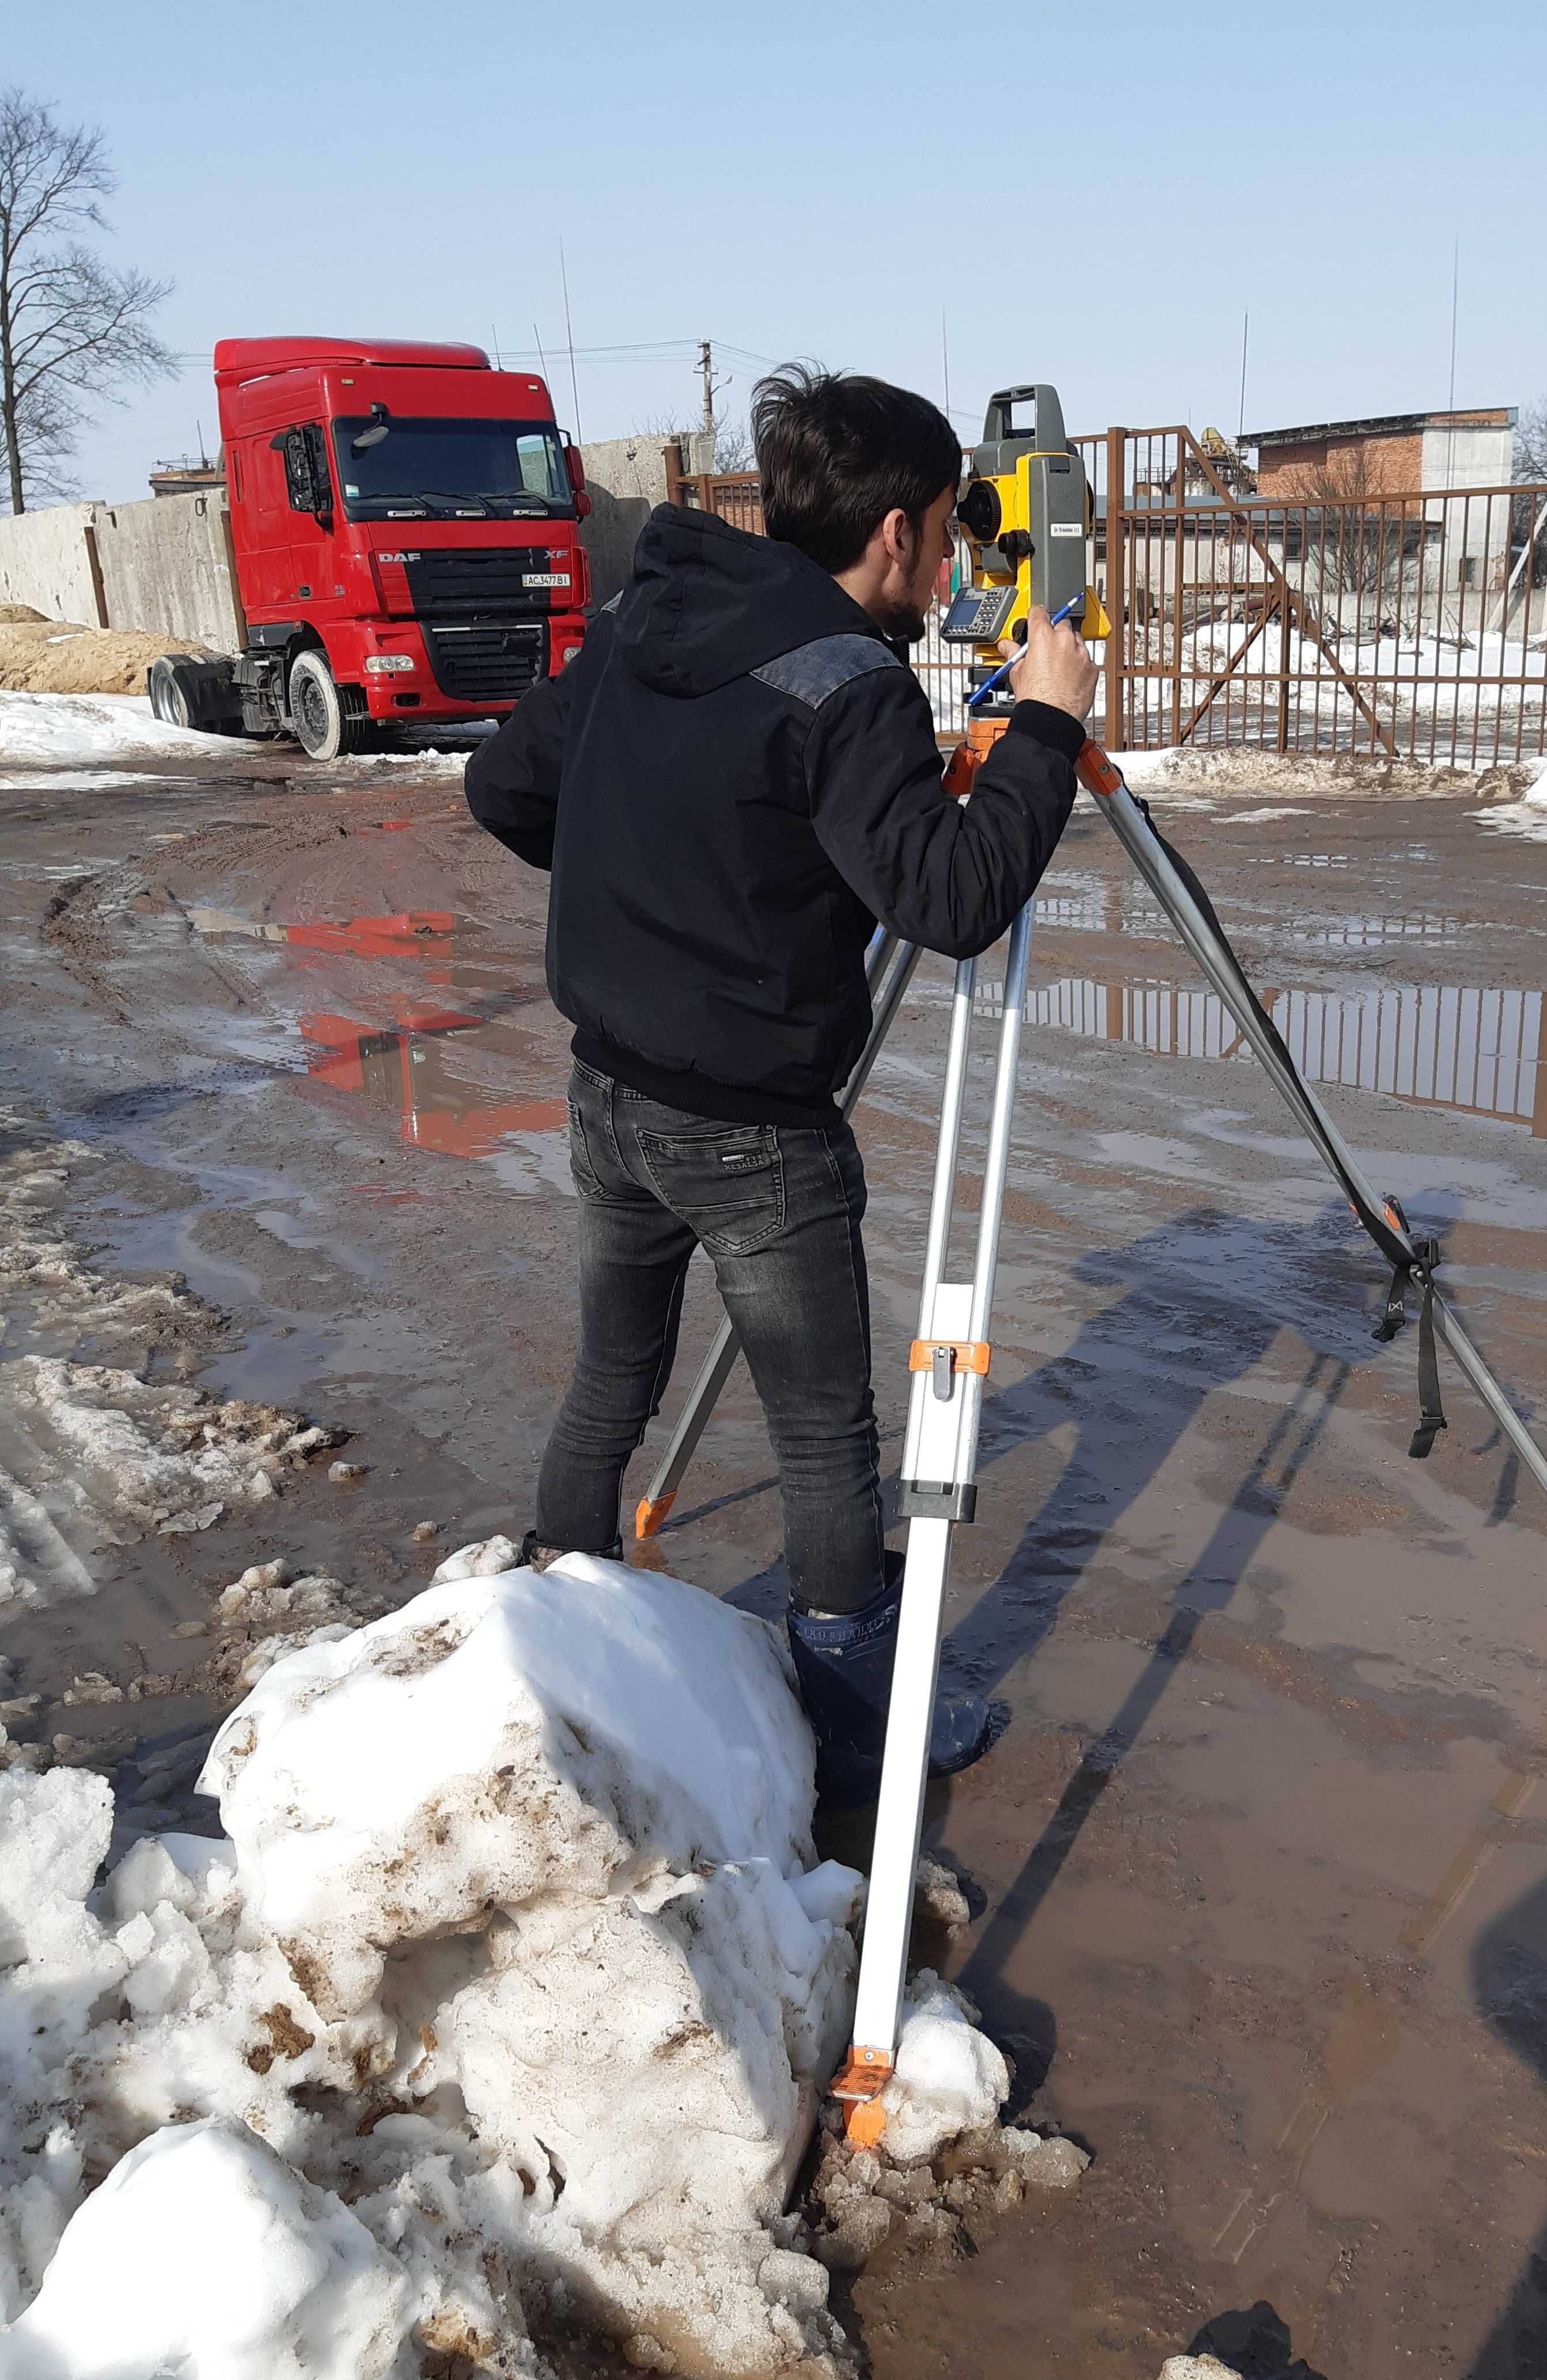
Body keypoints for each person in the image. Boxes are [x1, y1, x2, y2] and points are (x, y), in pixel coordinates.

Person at [463, 363, 1098, 1803]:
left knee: (612, 1376)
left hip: (606, 1092)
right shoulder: (849, 681)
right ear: (891, 533)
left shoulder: (650, 609)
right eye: (947, 533)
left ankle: (557, 1648)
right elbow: (952, 896)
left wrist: (667, 875)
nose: (955, 564)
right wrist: (1047, 729)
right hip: (750, 1125)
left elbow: (507, 791)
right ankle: (860, 1726)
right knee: (823, 1433)